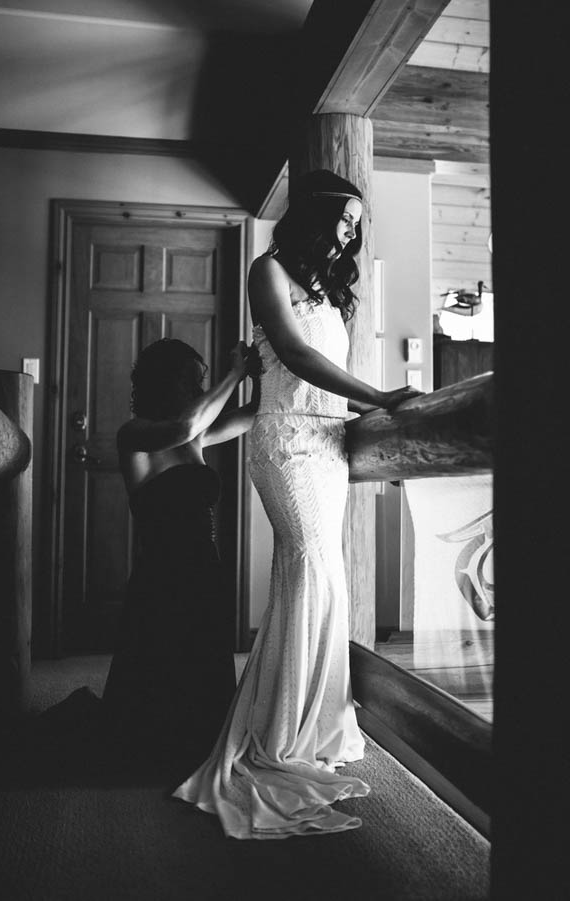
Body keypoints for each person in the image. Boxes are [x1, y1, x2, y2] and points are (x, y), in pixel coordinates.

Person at [172, 169, 423, 838]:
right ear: (312, 215)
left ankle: (304, 726)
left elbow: (320, 368)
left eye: (357, 223)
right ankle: (277, 739)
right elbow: (293, 354)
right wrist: (382, 397)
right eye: (345, 218)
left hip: (332, 446)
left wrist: (359, 412)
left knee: (320, 582)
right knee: (311, 571)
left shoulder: (329, 289)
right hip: (286, 443)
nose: (351, 232)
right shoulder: (268, 270)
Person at [100, 336, 261, 773]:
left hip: (203, 570)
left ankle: (198, 747)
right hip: (160, 578)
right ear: (167, 383)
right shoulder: (135, 434)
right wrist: (234, 375)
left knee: (202, 679)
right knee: (158, 679)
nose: (197, 388)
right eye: (192, 380)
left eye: (201, 382)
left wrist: (261, 372)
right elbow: (183, 429)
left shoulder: (198, 432)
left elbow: (250, 416)